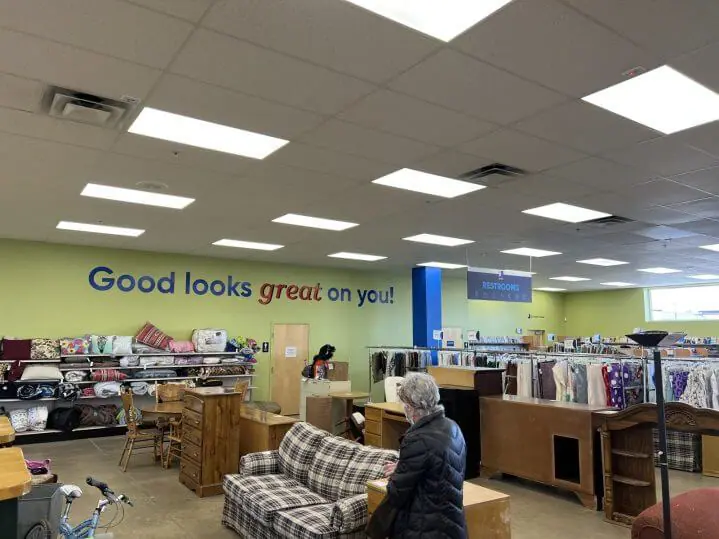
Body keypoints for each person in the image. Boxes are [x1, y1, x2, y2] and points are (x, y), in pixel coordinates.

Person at [383, 373, 467, 538]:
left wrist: (399, 473)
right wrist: (404, 467)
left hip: (424, 528)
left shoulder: (416, 439)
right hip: (453, 524)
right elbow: (439, 470)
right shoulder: (453, 427)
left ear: (410, 406)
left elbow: (396, 492)